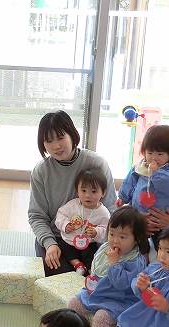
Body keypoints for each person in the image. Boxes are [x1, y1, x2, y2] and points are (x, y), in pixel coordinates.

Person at [28, 111, 116, 277]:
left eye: (61, 138)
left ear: (72, 134)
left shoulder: (96, 163)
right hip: (57, 238)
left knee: (101, 276)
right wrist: (49, 244)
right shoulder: (41, 171)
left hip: (94, 239)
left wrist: (106, 240)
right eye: (49, 141)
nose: (56, 146)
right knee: (58, 279)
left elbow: (111, 208)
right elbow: (37, 216)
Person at [67, 207, 151, 327]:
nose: (115, 240)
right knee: (73, 304)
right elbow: (96, 269)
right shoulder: (106, 248)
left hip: (119, 300)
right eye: (112, 234)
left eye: (123, 236)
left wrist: (114, 264)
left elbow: (122, 284)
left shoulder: (135, 261)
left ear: (136, 239)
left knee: (101, 318)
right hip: (97, 293)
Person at [118, 124, 169, 222]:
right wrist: (123, 197)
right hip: (138, 214)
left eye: (160, 154)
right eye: (149, 153)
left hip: (162, 219)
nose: (154, 158)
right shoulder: (141, 166)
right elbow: (129, 181)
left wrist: (156, 173)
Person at [53, 167, 111, 275]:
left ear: (103, 193)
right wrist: (65, 225)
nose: (88, 195)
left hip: (89, 243)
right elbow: (60, 215)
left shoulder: (103, 213)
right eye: (83, 191)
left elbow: (107, 230)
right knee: (62, 246)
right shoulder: (73, 205)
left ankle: (91, 270)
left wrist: (97, 232)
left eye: (94, 191)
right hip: (69, 240)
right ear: (77, 191)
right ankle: (78, 265)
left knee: (93, 253)